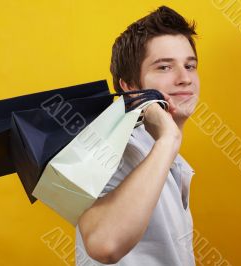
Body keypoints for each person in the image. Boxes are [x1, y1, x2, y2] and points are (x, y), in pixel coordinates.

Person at [76, 5, 200, 266]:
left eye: (190, 66)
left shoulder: (172, 159)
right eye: (165, 67)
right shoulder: (110, 149)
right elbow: (104, 244)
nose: (185, 78)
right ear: (130, 87)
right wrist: (168, 140)